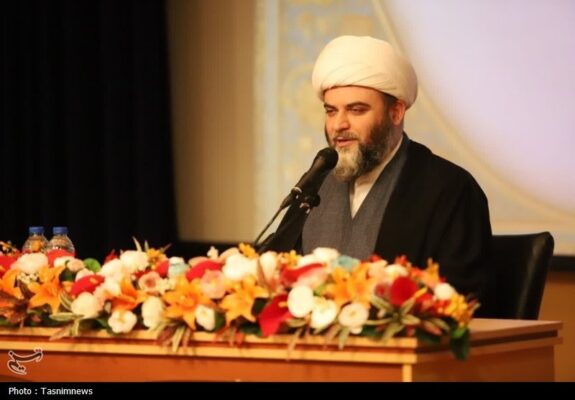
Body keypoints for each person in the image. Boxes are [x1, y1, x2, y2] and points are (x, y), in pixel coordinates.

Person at [262, 35, 492, 303]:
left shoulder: (450, 189)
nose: (338, 125)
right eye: (331, 111)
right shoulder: (317, 185)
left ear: (396, 112)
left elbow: (460, 299)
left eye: (356, 110)